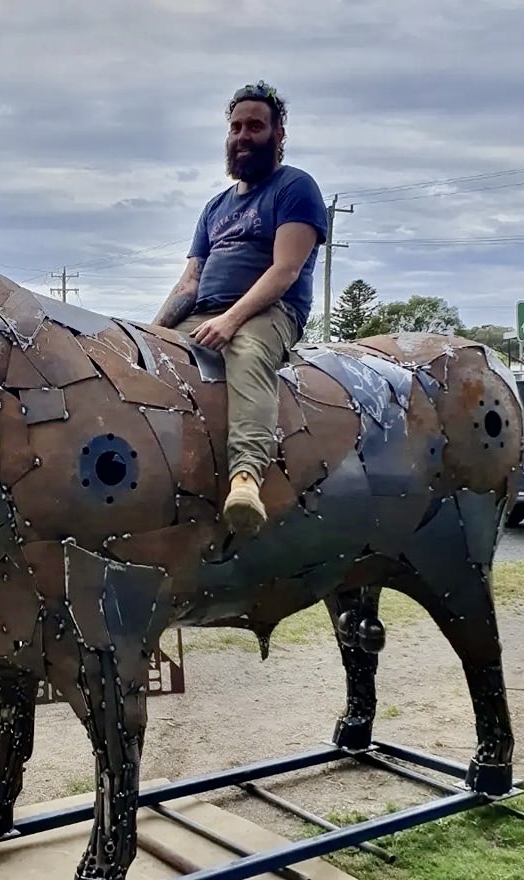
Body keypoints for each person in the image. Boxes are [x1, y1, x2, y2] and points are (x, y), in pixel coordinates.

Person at [152, 81, 327, 538]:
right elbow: (189, 281)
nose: (243, 135)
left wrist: (231, 321)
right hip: (204, 311)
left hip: (270, 312)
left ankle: (246, 479)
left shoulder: (295, 188)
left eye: (255, 126)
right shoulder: (215, 207)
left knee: (246, 353)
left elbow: (285, 270)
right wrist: (148, 334)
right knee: (149, 363)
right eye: (235, 127)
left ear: (278, 133)